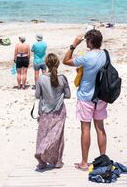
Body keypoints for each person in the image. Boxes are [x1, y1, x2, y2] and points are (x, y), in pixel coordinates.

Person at [63, 29, 107, 171]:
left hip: (86, 97)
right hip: (101, 97)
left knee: (85, 129)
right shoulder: (105, 55)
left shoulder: (87, 57)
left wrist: (74, 45)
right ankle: (103, 158)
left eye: (87, 40)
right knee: (100, 128)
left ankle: (84, 162)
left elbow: (66, 61)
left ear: (90, 41)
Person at [35, 53, 71, 169]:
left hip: (45, 111)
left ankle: (41, 161)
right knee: (58, 137)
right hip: (59, 111)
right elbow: (68, 95)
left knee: (43, 135)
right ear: (58, 63)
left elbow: (37, 95)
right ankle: (57, 162)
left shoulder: (41, 78)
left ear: (46, 64)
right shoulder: (62, 78)